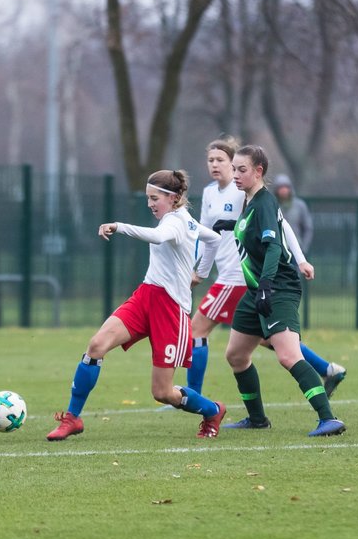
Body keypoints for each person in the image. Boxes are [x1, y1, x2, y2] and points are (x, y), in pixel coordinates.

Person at [46, 169, 228, 441]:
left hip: (171, 310)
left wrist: (119, 226)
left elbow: (159, 237)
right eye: (148, 198)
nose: (150, 203)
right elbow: (213, 238)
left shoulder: (177, 223)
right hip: (145, 297)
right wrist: (200, 272)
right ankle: (72, 418)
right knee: (97, 346)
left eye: (155, 198)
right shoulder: (181, 221)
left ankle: (213, 410)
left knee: (162, 393)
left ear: (174, 197)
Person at [187, 138, 346, 402]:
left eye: (222, 160)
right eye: (210, 160)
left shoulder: (245, 192)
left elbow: (280, 228)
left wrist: (301, 259)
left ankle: (193, 396)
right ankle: (327, 369)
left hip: (238, 277)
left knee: (198, 330)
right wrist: (198, 267)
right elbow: (205, 234)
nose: (215, 165)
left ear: (237, 164)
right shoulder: (209, 193)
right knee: (268, 338)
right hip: (228, 275)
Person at [222, 145, 345, 436]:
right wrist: (231, 225)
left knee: (288, 356)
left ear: (258, 171)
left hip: (278, 287)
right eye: (234, 169)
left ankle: (329, 418)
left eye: (242, 170)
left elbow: (274, 244)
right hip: (257, 290)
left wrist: (266, 286)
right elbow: (258, 231)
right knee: (237, 355)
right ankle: (257, 420)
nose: (235, 175)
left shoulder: (264, 202)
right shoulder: (251, 202)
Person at [273, 174, 313, 251]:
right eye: (280, 187)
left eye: (286, 187)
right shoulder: (272, 205)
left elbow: (308, 228)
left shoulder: (299, 205)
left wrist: (304, 248)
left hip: (296, 249)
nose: (283, 190)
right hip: (277, 249)